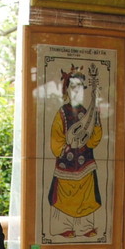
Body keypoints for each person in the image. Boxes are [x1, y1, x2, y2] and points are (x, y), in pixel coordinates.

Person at [47, 64, 103, 239]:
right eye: (73, 87)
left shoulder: (87, 112)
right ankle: (63, 227)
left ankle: (85, 227)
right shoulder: (61, 114)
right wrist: (66, 146)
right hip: (67, 163)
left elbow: (93, 140)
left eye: (80, 87)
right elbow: (56, 139)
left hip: (85, 162)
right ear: (67, 90)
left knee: (86, 197)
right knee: (65, 198)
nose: (77, 91)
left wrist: (97, 121)